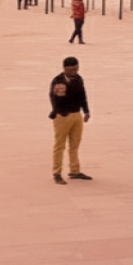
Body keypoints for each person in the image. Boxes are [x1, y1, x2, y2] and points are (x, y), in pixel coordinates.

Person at [48, 56, 91, 184]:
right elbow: (55, 99)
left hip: (76, 114)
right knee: (59, 145)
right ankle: (57, 173)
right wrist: (61, 112)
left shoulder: (78, 78)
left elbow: (83, 95)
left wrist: (86, 110)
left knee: (75, 144)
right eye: (72, 69)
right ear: (65, 68)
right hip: (63, 116)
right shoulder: (58, 81)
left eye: (76, 69)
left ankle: (74, 170)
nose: (74, 71)